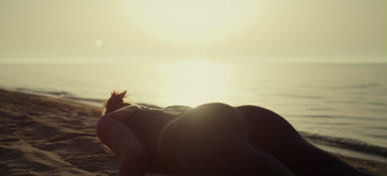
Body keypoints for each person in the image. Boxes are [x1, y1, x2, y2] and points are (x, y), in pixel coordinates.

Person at [96, 91, 374, 176]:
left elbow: (134, 154)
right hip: (252, 118)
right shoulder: (157, 112)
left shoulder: (108, 122)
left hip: (194, 133)